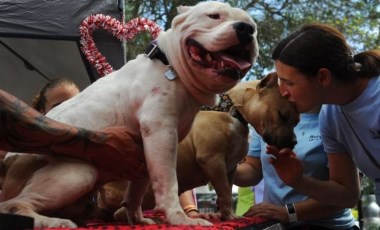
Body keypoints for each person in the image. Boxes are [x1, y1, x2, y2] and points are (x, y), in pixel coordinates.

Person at [267, 23, 380, 208]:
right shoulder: (330, 116)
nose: (283, 92)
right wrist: (298, 181)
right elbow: (347, 194)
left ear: (323, 77)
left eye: (289, 82)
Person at [234, 105, 358, 229]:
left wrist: (289, 212)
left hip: (326, 225)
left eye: (290, 84)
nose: (283, 90)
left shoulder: (337, 117)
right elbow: (252, 169)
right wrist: (222, 167)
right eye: (281, 84)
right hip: (277, 224)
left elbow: (347, 195)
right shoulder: (267, 117)